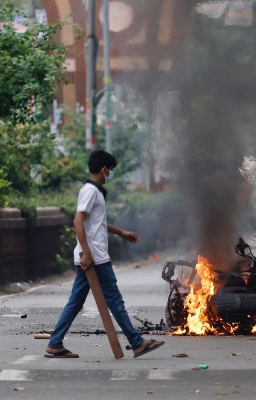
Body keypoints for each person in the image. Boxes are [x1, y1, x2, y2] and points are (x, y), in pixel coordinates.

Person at [46, 150, 165, 359]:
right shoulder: (91, 191)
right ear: (103, 169)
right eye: (109, 170)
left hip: (92, 257)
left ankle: (55, 343)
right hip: (96, 259)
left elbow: (96, 222)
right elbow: (78, 221)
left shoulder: (92, 191)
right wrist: (87, 252)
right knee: (115, 300)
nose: (109, 174)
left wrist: (121, 232)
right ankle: (137, 343)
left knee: (76, 302)